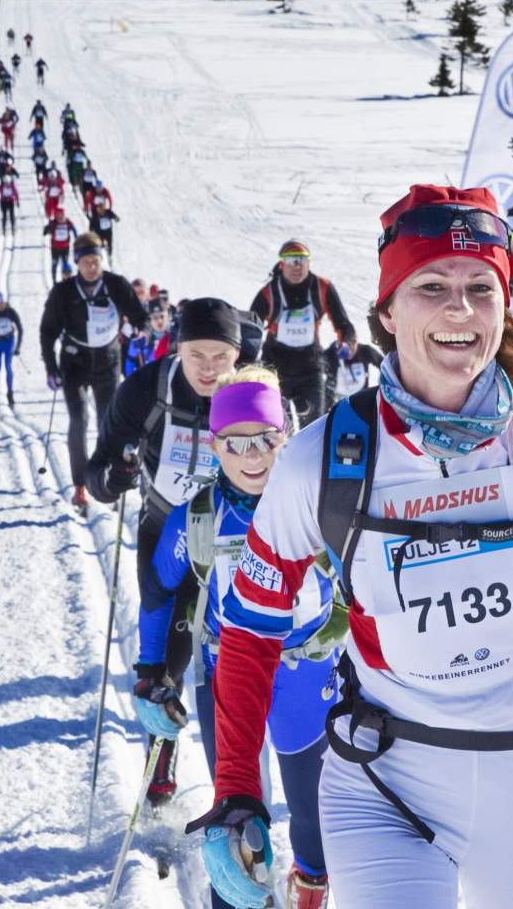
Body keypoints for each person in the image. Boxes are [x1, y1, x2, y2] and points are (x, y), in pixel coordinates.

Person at [193, 184, 513, 909]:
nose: (459, 310)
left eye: (481, 288)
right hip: (385, 778)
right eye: (431, 286)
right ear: (386, 309)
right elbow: (251, 627)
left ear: (507, 305)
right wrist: (235, 791)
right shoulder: (325, 459)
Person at [135, 367, 342, 909]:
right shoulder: (197, 519)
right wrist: (150, 673)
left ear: (286, 436)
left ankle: (310, 891)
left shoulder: (324, 508)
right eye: (236, 443)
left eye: (266, 440)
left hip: (306, 673)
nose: (253, 457)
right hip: (228, 674)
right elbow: (159, 590)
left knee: (313, 814)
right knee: (237, 817)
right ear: (214, 445)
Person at [87, 299, 259, 802]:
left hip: (233, 542)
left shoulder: (252, 391)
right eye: (196, 355)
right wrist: (113, 478)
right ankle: (159, 762)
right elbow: (97, 474)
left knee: (239, 660)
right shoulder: (145, 389)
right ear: (177, 348)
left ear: (237, 354)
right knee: (167, 661)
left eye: (220, 357)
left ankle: (244, 780)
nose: (208, 369)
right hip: (166, 529)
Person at [41, 234, 149, 513]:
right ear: (76, 262)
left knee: (107, 422)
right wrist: (51, 368)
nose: (92, 267)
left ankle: (109, 481)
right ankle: (80, 485)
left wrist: (138, 330)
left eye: (96, 261)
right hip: (74, 362)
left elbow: (140, 316)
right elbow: (47, 331)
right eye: (86, 262)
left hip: (107, 361)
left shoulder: (115, 285)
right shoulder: (63, 292)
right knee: (79, 419)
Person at [249, 240, 357, 427]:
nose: (296, 266)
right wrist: (245, 361)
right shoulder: (269, 292)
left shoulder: (322, 288)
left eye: (301, 260)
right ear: (282, 264)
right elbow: (250, 328)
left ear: (309, 263)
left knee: (314, 428)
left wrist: (347, 344)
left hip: (309, 367)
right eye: (291, 261)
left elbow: (344, 324)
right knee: (274, 427)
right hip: (274, 367)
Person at [42, 207, 78, 282]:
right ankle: (54, 281)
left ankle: (65, 281)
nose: (60, 217)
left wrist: (76, 239)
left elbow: (74, 230)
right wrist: (47, 229)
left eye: (61, 215)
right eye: (58, 215)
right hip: (55, 248)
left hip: (65, 248)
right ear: (55, 216)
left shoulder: (68, 222)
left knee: (65, 265)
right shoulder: (53, 223)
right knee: (54, 264)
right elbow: (44, 232)